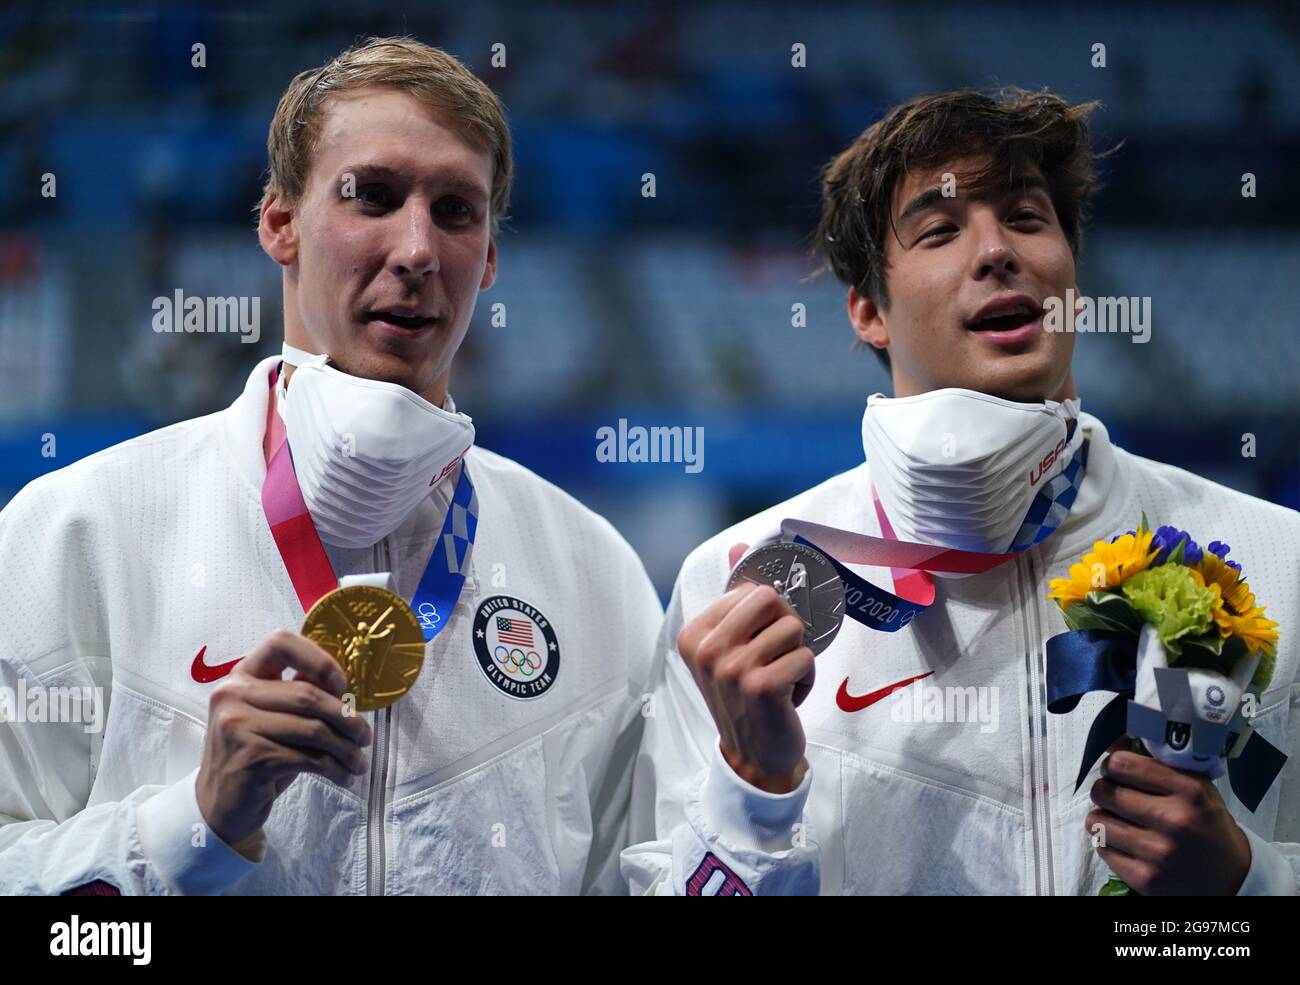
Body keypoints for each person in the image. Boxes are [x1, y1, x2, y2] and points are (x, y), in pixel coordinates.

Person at [0, 36, 661, 895]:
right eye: (372, 196)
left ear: (490, 258)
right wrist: (186, 829)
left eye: (456, 211)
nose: (417, 249)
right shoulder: (76, 531)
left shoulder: (592, 566)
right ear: (279, 222)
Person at [621, 87, 1300, 895]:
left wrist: (1248, 883)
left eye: (1026, 217)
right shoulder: (729, 586)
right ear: (869, 310)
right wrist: (752, 789)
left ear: (1072, 278)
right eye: (941, 230)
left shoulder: (1278, 556)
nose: (995, 251)